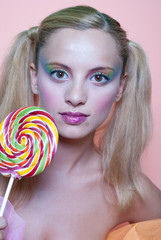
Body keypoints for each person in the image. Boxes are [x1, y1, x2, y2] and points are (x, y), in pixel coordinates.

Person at [0, 5, 161, 240]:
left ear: (120, 88)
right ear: (35, 77)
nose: (75, 97)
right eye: (59, 73)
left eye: (98, 77)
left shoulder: (128, 190)